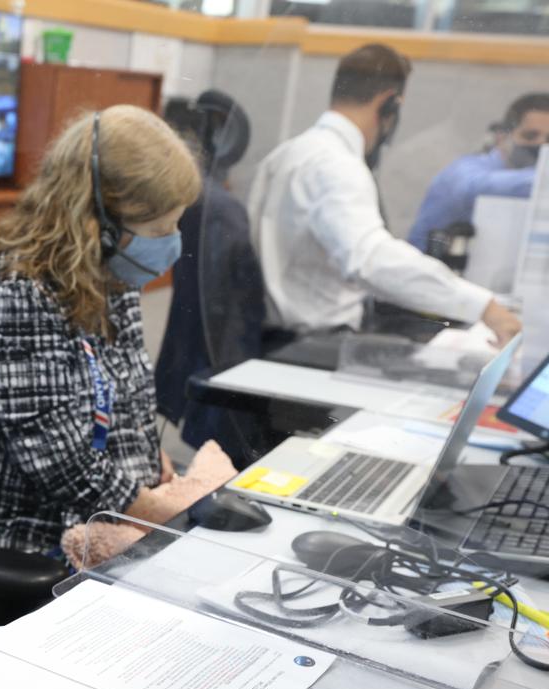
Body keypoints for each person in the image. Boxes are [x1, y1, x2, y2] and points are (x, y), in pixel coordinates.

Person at [0, 105, 235, 556]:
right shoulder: (14, 295)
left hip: (95, 509)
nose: (173, 240)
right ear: (99, 223)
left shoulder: (111, 274)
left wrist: (156, 471)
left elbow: (128, 402)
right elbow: (59, 464)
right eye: (161, 227)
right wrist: (177, 520)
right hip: (19, 534)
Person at [247, 43, 522, 345]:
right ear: (390, 104)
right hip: (309, 347)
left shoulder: (289, 152)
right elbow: (372, 260)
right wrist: (484, 307)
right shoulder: (337, 165)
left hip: (273, 340)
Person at [155, 89, 269, 468]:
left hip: (199, 368)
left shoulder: (210, 201)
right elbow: (233, 316)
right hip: (223, 377)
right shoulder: (222, 208)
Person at [408, 92, 549, 251]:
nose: (541, 145)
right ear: (501, 138)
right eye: (530, 136)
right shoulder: (466, 170)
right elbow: (474, 188)